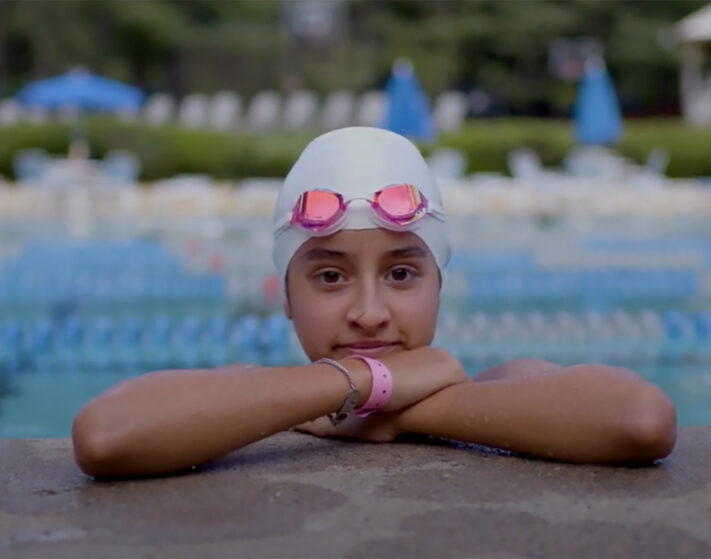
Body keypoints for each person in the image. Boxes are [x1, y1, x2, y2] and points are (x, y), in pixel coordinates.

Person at [72, 127, 676, 478]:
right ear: (285, 295)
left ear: (441, 284)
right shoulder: (256, 397)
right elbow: (104, 436)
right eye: (330, 277)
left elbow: (642, 421)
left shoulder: (504, 387)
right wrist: (363, 385)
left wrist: (381, 403)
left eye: (403, 273)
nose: (368, 311)